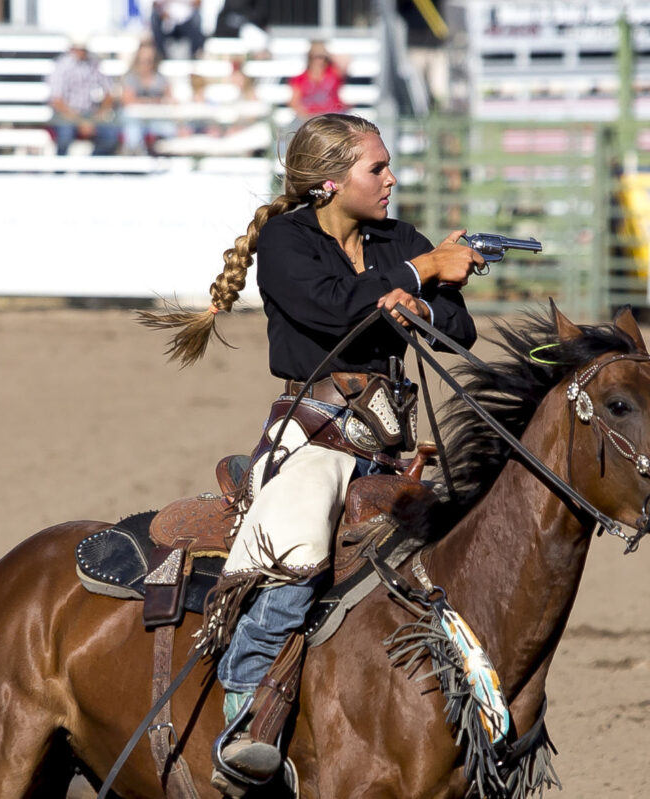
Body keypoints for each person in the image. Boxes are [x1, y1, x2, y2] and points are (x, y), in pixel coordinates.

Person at [139, 113, 483, 786]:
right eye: (375, 168)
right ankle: (243, 704)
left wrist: (422, 301)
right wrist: (420, 273)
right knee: (296, 549)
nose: (390, 179)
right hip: (313, 433)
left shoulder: (398, 240)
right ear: (329, 182)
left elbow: (459, 328)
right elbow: (335, 308)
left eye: (387, 165)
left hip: (391, 437)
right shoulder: (286, 242)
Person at [47, 34, 120, 156]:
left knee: (110, 135)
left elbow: (109, 92)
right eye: (79, 48)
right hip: (66, 114)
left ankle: (91, 169)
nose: (82, 52)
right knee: (65, 136)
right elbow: (57, 101)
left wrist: (99, 115)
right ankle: (60, 171)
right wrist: (80, 121)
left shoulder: (94, 63)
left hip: (90, 114)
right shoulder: (61, 66)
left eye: (84, 48)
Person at [120, 40, 177, 155]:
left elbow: (171, 99)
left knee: (169, 131)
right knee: (133, 137)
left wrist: (147, 102)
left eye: (149, 61)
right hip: (136, 119)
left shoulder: (160, 78)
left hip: (156, 117)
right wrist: (154, 101)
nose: (146, 64)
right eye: (143, 61)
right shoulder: (131, 77)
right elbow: (128, 101)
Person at [288, 40, 347, 121]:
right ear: (310, 58)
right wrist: (306, 117)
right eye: (315, 57)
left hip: (333, 116)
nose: (319, 60)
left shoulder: (334, 73)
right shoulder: (300, 78)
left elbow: (345, 62)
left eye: (322, 57)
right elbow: (294, 102)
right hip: (309, 117)